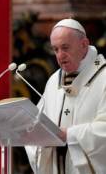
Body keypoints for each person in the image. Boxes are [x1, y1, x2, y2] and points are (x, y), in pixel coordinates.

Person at [25, 18, 106, 173]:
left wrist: (70, 135)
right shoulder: (54, 80)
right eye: (55, 49)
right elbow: (38, 123)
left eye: (65, 47)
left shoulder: (103, 78)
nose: (60, 56)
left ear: (84, 45)